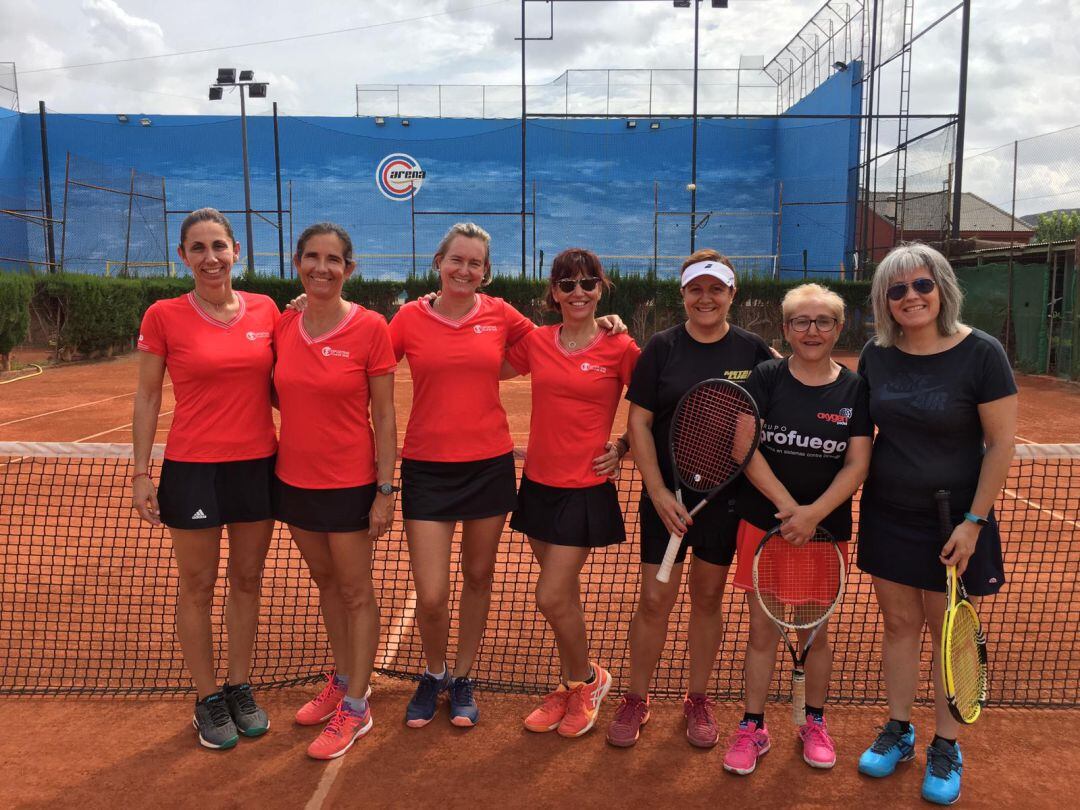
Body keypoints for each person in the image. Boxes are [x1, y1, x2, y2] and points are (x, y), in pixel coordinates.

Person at [388, 223, 625, 728]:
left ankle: (465, 676)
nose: (464, 269)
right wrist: (310, 310)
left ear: (487, 273)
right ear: (439, 262)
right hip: (427, 468)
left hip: (488, 467)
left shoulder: (502, 316)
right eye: (457, 260)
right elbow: (369, 359)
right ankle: (434, 673)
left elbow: (559, 335)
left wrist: (608, 322)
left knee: (478, 576)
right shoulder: (408, 317)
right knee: (431, 593)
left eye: (475, 263)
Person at [854, 243, 1016, 805]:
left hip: (955, 522)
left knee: (949, 635)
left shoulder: (982, 353)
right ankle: (900, 730)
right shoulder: (877, 355)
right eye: (897, 290)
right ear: (885, 301)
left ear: (942, 288)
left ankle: (946, 744)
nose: (911, 297)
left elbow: (1000, 445)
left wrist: (974, 521)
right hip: (888, 513)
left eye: (922, 285)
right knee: (898, 626)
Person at [607, 250, 774, 749]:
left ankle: (697, 697)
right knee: (654, 600)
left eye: (716, 289)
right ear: (683, 294)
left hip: (724, 501)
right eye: (696, 289)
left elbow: (790, 398)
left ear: (731, 294)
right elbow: (638, 420)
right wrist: (657, 491)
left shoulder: (755, 352)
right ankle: (636, 696)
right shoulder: (662, 347)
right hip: (666, 498)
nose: (706, 298)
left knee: (707, 599)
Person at [131, 208, 278, 750]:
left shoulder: (267, 310)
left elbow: (289, 376)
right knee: (196, 586)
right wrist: (142, 471)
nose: (211, 257)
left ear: (236, 250)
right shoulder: (163, 316)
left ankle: (240, 685)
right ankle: (207, 696)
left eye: (219, 245)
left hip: (257, 466)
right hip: (192, 470)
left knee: (247, 581)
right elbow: (147, 395)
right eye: (199, 248)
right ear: (183, 257)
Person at [724, 283, 872, 775]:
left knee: (815, 635)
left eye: (823, 321)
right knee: (761, 634)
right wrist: (791, 509)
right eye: (801, 322)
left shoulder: (854, 388)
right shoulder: (765, 377)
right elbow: (744, 449)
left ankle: (814, 722)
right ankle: (752, 726)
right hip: (765, 529)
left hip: (824, 534)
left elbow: (856, 465)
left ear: (838, 327)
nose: (812, 331)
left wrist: (813, 516)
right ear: (786, 329)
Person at [502, 248, 640, 739]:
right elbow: (484, 362)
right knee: (566, 600)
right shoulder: (538, 342)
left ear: (600, 288)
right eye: (567, 284)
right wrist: (438, 305)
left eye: (587, 283)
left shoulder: (620, 346)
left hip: (585, 488)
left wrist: (622, 445)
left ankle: (586, 681)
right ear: (553, 293)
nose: (578, 292)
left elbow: (652, 405)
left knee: (550, 595)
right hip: (537, 486)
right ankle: (575, 680)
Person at [272, 223, 397, 760]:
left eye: (333, 259)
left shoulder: (371, 328)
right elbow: (282, 396)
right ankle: (344, 676)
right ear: (297, 262)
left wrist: (385, 488)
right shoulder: (282, 325)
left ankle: (357, 704)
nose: (321, 267)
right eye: (311, 257)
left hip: (350, 483)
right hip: (293, 481)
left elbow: (386, 415)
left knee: (355, 590)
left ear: (350, 268)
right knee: (325, 581)